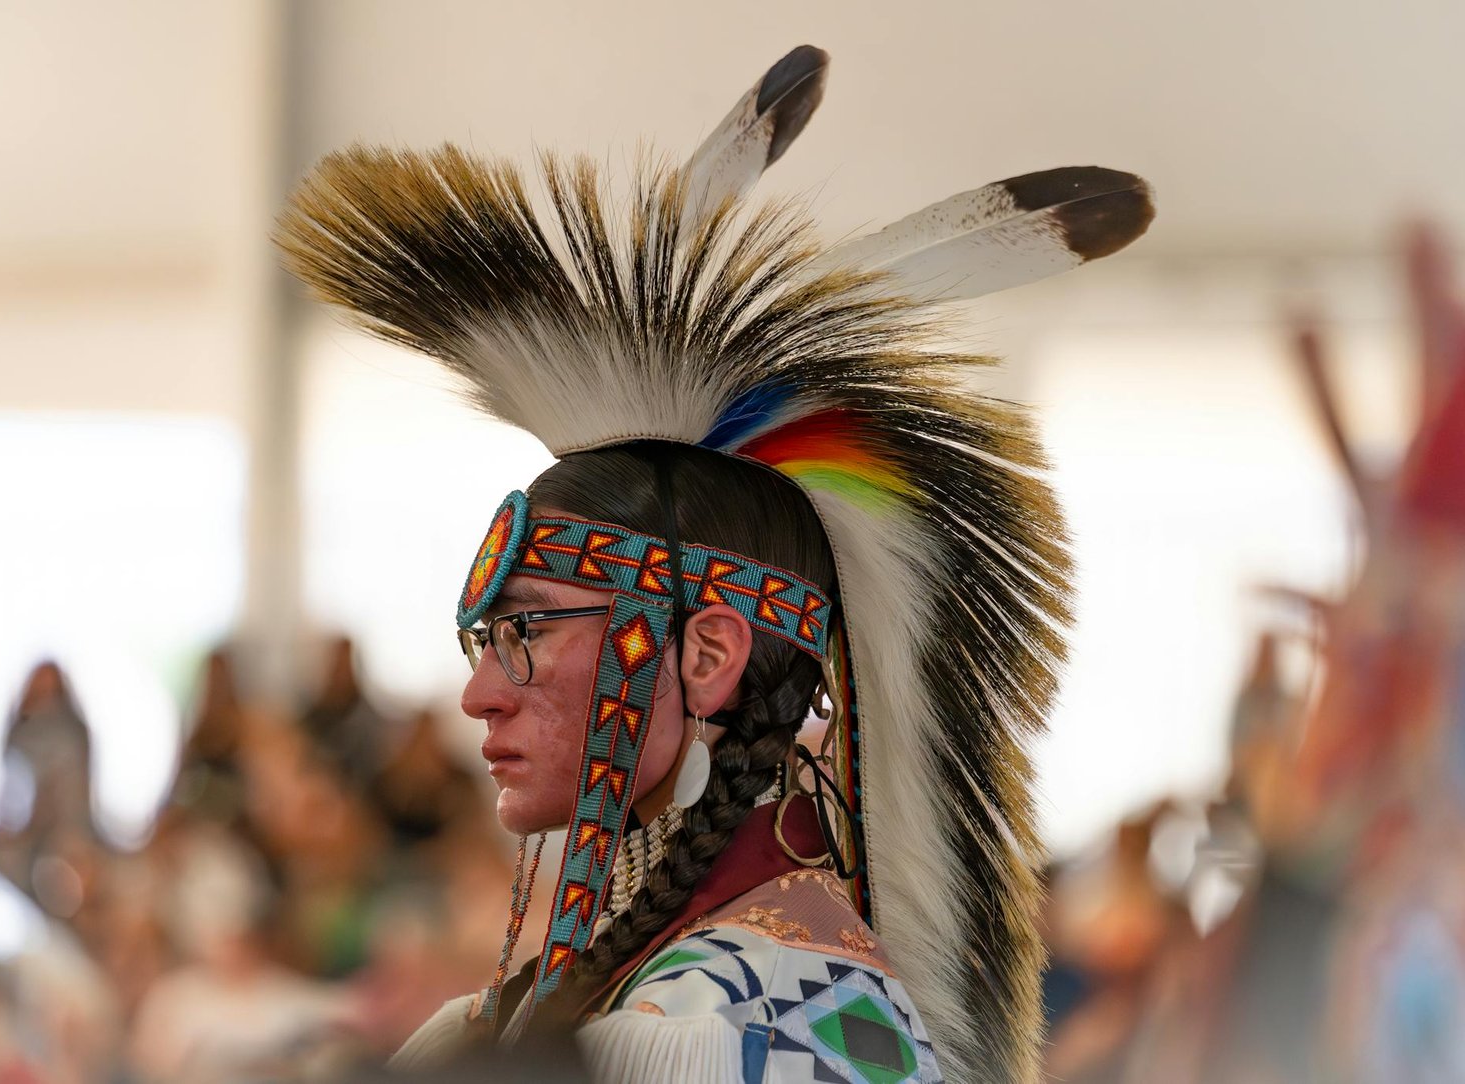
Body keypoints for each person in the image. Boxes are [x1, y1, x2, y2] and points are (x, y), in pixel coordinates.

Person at [277, 43, 1153, 1084]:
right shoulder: (681, 1002)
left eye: (527, 631)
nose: (479, 694)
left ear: (706, 656)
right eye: (485, 638)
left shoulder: (747, 1026)